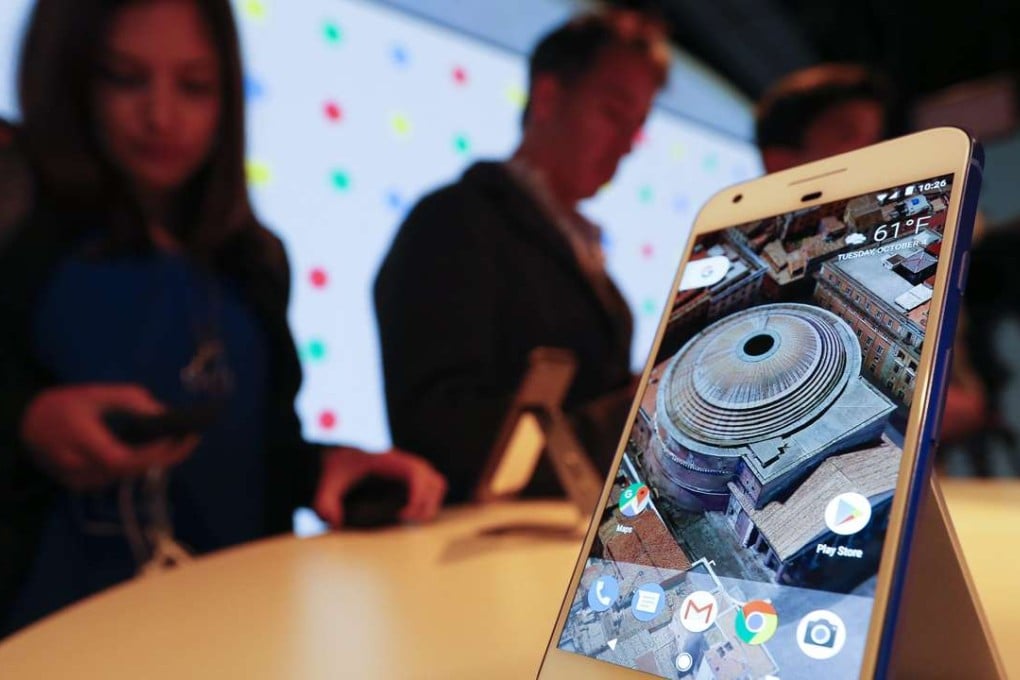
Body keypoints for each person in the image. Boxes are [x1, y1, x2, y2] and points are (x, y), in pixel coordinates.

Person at [0, 0, 446, 634]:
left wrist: (329, 467)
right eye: (125, 78)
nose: (160, 115)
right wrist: (24, 422)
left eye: (195, 86)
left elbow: (256, 453)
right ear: (68, 73)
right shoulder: (16, 210)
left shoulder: (255, 261)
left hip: (232, 637)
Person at [374, 9, 670, 504]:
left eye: (636, 125)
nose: (627, 146)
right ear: (549, 97)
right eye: (613, 114)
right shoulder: (455, 219)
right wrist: (633, 412)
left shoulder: (590, 261)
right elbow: (439, 432)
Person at [755, 63, 990, 447]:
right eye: (849, 137)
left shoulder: (900, 235)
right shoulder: (779, 271)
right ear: (781, 162)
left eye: (875, 138)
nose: (874, 154)